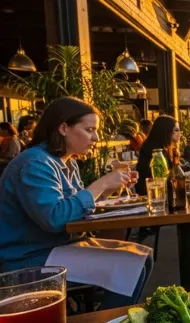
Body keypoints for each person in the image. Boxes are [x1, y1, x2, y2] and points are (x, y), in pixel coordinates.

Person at [0, 97, 152, 308]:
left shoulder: (67, 162)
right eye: (89, 130)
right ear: (63, 128)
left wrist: (107, 190)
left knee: (142, 258)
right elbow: (54, 218)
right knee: (130, 266)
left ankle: (102, 321)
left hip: (58, 248)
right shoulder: (35, 163)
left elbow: (77, 210)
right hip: (28, 261)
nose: (96, 137)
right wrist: (100, 185)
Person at [135, 115, 181, 195]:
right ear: (166, 131)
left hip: (158, 191)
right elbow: (164, 177)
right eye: (176, 130)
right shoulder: (155, 151)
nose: (179, 133)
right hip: (151, 194)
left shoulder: (161, 147)